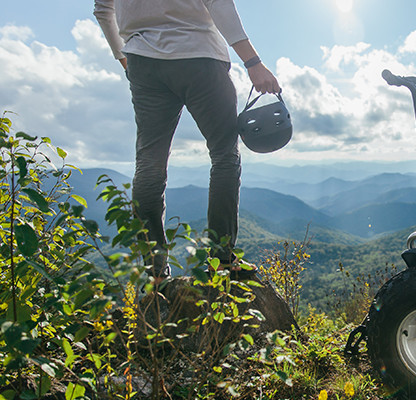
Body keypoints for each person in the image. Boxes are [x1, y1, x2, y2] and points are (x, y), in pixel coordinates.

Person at [94, 0, 279, 283]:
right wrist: (253, 62)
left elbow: (103, 9)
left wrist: (125, 58)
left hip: (143, 61)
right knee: (225, 156)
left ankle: (155, 272)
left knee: (149, 164)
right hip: (200, 55)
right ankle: (222, 260)